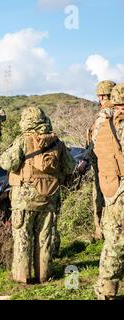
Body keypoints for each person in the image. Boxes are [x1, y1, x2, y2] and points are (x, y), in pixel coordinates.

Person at [0, 106, 75, 284]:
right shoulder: (57, 143)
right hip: (49, 199)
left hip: (24, 200)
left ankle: (22, 278)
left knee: (23, 238)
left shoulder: (22, 141)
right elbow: (70, 167)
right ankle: (44, 276)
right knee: (45, 238)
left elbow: (7, 163)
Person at [91, 83, 124, 300]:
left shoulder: (102, 123)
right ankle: (107, 290)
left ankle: (105, 288)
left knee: (113, 237)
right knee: (118, 240)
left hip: (110, 186)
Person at [79, 80, 117, 240]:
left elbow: (95, 140)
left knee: (100, 195)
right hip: (116, 161)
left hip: (103, 162)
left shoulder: (106, 113)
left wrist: (85, 160)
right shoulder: (118, 111)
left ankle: (101, 232)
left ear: (102, 95)